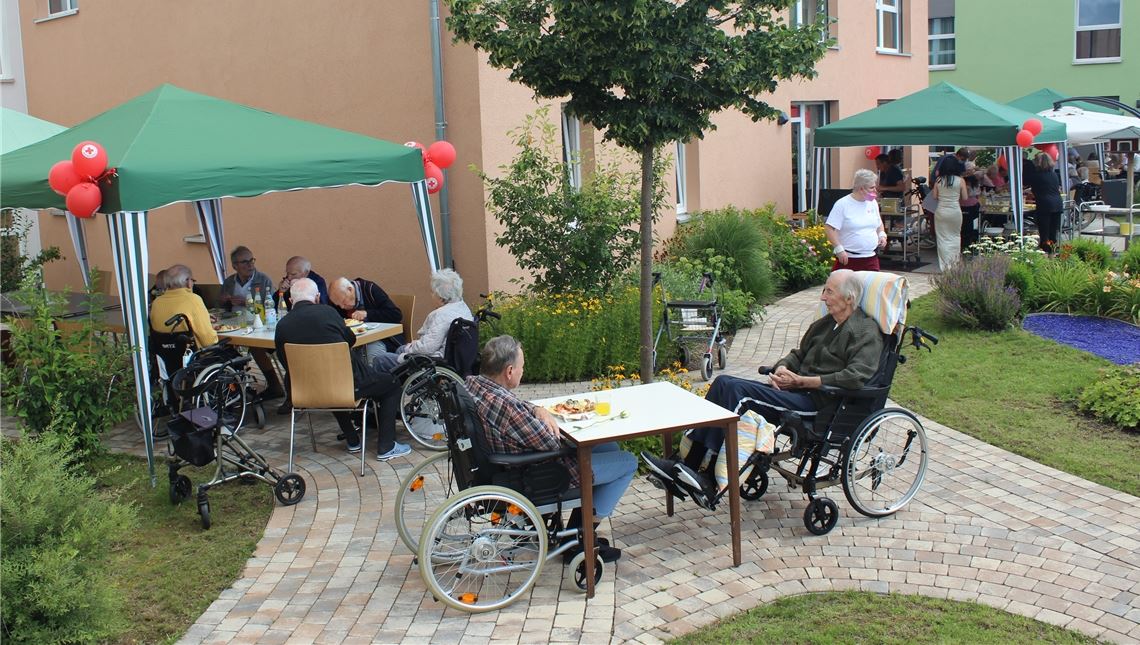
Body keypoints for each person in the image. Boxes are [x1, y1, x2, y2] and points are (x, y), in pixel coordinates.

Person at [641, 270, 882, 509]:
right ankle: (684, 464)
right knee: (723, 383)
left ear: (849, 298)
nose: (822, 297)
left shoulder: (865, 332)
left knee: (740, 396)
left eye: (829, 292)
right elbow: (798, 355)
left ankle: (703, 476)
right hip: (795, 391)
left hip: (820, 405)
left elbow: (856, 376)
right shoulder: (825, 325)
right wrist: (782, 369)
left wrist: (802, 382)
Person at [465, 335, 636, 563]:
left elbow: (519, 407)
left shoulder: (476, 385)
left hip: (510, 463)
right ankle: (579, 538)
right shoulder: (506, 408)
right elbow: (552, 442)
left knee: (608, 446)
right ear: (509, 371)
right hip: (538, 474)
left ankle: (580, 532)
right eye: (521, 367)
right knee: (627, 462)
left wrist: (538, 410)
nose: (522, 371)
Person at [274, 278, 410, 460]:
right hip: (345, 385)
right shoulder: (328, 313)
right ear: (317, 297)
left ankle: (353, 440)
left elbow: (285, 362)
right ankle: (387, 446)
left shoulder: (281, 326)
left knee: (327, 383)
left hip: (304, 391)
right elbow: (351, 340)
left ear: (291, 301)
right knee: (390, 383)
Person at [369, 268, 473, 372]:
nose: (431, 295)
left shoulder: (441, 315)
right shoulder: (463, 307)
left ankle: (389, 386)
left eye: (432, 292)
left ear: (441, 298)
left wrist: (410, 347)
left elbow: (427, 348)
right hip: (452, 357)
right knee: (400, 349)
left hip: (433, 361)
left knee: (380, 360)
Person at [219, 245, 284, 399]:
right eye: (245, 262)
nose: (250, 265)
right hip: (233, 324)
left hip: (257, 324)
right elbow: (220, 306)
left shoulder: (263, 280)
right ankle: (233, 385)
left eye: (252, 260)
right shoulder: (229, 282)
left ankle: (274, 385)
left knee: (255, 347)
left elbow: (270, 306)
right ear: (235, 265)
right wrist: (224, 300)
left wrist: (247, 303)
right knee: (223, 344)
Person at [825, 169, 888, 272]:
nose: (875, 191)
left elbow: (878, 222)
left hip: (871, 257)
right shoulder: (842, 204)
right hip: (848, 259)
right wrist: (839, 249)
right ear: (862, 189)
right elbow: (829, 228)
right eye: (872, 188)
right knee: (837, 287)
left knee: (871, 287)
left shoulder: (872, 203)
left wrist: (881, 234)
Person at [329, 277, 406, 355]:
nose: (342, 307)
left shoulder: (370, 289)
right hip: (356, 341)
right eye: (338, 305)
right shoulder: (338, 299)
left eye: (344, 302)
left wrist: (367, 313)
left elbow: (395, 314)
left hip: (383, 338)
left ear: (350, 289)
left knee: (371, 355)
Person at [150, 264, 218, 349]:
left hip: (164, 357)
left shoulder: (156, 302)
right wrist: (213, 331)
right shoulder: (193, 299)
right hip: (192, 357)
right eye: (193, 280)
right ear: (188, 281)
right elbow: (208, 341)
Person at [931, 157, 968, 271]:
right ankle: (954, 264)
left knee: (942, 238)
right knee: (955, 237)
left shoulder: (938, 180)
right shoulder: (961, 180)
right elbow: (965, 197)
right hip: (955, 211)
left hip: (941, 211)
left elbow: (934, 197)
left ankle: (945, 266)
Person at [1026, 153, 1063, 253]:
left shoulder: (1036, 176)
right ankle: (1052, 253)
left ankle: (1046, 253)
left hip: (1045, 205)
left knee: (1044, 233)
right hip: (1057, 204)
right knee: (1053, 232)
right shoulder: (1054, 174)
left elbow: (1032, 189)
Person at [960, 162, 982, 250]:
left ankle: (965, 242)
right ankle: (972, 241)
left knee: (964, 225)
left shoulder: (961, 180)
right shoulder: (972, 180)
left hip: (962, 205)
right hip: (972, 205)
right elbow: (976, 192)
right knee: (973, 224)